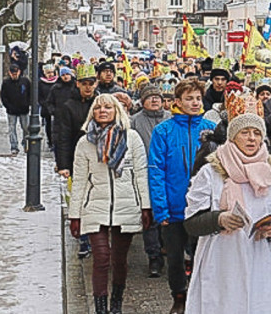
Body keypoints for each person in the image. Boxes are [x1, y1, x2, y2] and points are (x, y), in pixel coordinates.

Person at [182, 101, 271, 314]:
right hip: (221, 259)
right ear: (232, 136)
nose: (252, 138)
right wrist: (219, 219)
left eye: (257, 133)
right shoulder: (211, 172)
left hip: (259, 257)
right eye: (245, 132)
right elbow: (191, 223)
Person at [67, 93, 152, 314]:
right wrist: (74, 215)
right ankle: (100, 308)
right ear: (92, 113)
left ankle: (116, 303)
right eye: (98, 108)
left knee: (119, 260)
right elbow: (79, 181)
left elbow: (141, 174)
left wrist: (146, 206)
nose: (102, 111)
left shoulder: (131, 138)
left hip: (127, 205)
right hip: (95, 206)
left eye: (107, 107)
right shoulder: (85, 142)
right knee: (102, 258)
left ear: (117, 111)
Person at [148, 77, 216, 314]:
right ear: (177, 101)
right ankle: (179, 296)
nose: (195, 103)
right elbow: (156, 170)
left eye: (198, 98)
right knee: (175, 257)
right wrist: (160, 208)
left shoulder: (210, 129)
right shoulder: (163, 131)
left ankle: (202, 297)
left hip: (202, 207)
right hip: (174, 204)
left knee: (203, 255)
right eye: (189, 98)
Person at [130, 85, 168, 279]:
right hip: (145, 173)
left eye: (157, 97)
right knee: (150, 216)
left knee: (167, 214)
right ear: (142, 100)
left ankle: (166, 248)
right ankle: (154, 256)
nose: (154, 100)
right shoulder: (135, 121)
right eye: (150, 97)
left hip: (168, 173)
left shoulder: (170, 118)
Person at [0, 65, 32, 155]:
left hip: (24, 109)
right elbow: (3, 96)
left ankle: (26, 144)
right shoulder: (6, 82)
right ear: (9, 73)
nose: (14, 75)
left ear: (19, 72)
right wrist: (8, 106)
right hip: (11, 110)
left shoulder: (25, 81)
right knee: (12, 128)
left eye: (16, 73)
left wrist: (28, 104)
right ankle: (14, 146)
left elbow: (30, 93)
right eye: (12, 73)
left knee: (26, 128)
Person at [40, 63, 59, 150]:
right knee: (48, 125)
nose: (50, 74)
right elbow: (39, 96)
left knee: (56, 125)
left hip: (56, 107)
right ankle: (50, 141)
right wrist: (45, 104)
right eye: (48, 73)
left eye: (51, 72)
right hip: (46, 108)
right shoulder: (41, 82)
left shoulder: (57, 81)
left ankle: (56, 141)